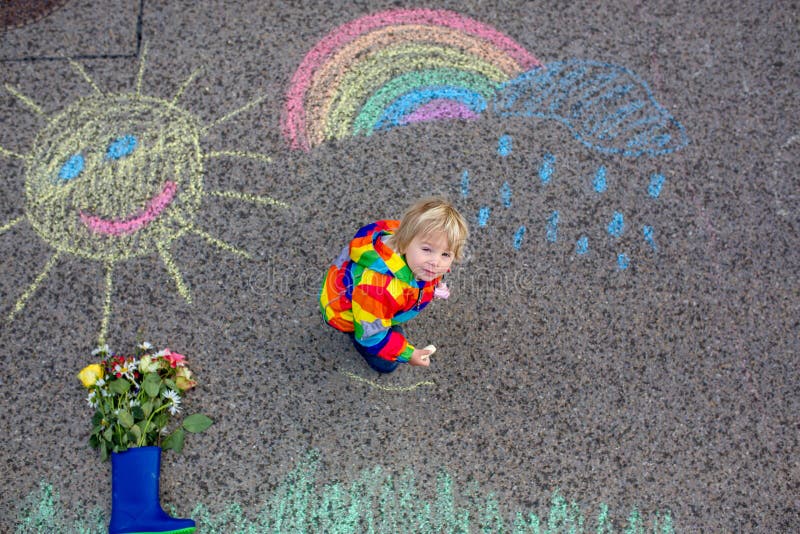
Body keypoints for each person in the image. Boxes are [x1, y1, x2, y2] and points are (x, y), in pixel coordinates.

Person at [320, 197, 468, 373]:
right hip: (347, 313)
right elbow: (370, 334)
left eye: (446, 254)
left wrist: (434, 286)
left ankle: (385, 321)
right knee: (386, 363)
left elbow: (430, 263)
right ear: (404, 244)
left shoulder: (417, 249)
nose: (436, 262)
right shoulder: (378, 290)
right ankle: (357, 338)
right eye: (427, 250)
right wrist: (407, 354)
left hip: (369, 303)